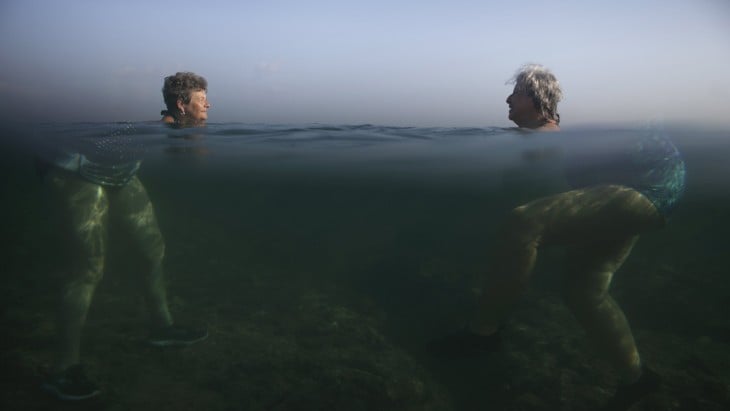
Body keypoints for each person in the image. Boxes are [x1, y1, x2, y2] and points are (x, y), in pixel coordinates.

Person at [429, 64, 686, 410]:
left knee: (523, 223)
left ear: (536, 98)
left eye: (516, 93)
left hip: (645, 189)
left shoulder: (557, 129)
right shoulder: (559, 132)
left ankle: (482, 333)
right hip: (646, 192)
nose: (507, 99)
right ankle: (637, 379)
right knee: (584, 290)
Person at [40, 72, 211, 401]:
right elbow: (95, 144)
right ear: (181, 105)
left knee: (153, 249)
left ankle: (162, 328)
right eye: (202, 101)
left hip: (118, 172)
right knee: (89, 267)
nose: (209, 106)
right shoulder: (155, 129)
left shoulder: (176, 131)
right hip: (77, 169)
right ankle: (63, 369)